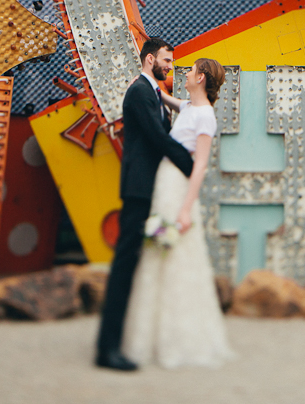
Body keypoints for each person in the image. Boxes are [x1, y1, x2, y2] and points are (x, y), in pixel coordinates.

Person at [121, 57, 236, 369]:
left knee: (175, 253)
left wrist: (187, 208)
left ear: (200, 78)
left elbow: (200, 165)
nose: (184, 74)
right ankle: (154, 334)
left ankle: (178, 336)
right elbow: (161, 97)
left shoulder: (205, 117)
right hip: (164, 185)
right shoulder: (187, 108)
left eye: (191, 70)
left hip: (178, 190)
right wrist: (145, 80)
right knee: (157, 252)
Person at [95, 38, 194, 372]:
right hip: (138, 190)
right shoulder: (139, 92)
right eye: (167, 60)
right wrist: (192, 167)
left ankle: (124, 339)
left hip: (149, 189)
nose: (171, 65)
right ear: (150, 59)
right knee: (125, 266)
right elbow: (157, 138)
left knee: (139, 263)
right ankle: (107, 349)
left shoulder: (150, 91)